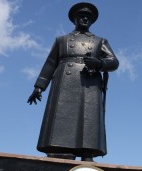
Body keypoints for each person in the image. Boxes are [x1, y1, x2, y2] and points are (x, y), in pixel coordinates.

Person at [27, 2, 119, 161]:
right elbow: (50, 63)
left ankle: (87, 151)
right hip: (65, 81)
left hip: (89, 81)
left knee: (88, 116)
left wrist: (99, 64)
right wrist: (39, 86)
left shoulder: (100, 41)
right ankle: (60, 148)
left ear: (92, 21)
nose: (84, 19)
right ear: (74, 19)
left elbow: (114, 61)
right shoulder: (62, 40)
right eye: (81, 16)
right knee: (62, 115)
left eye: (88, 17)